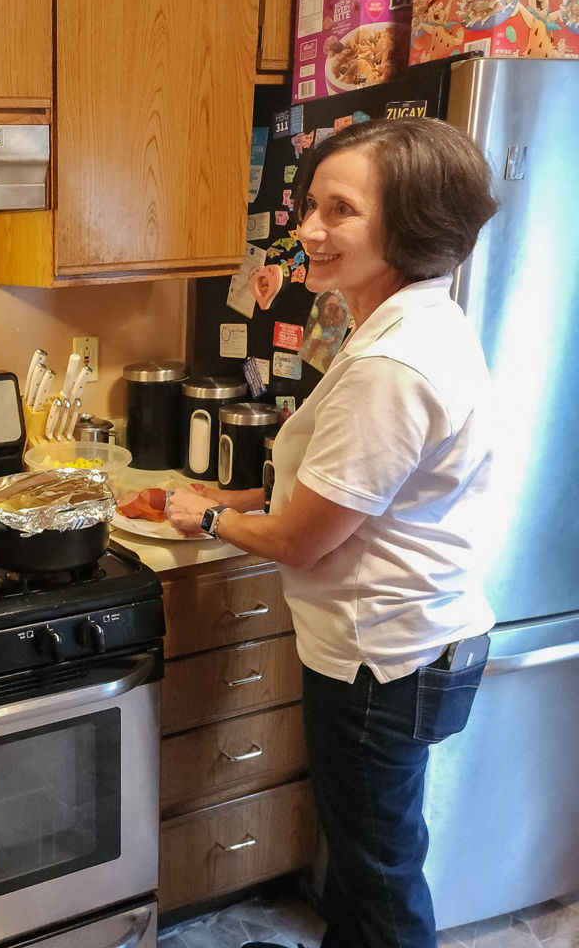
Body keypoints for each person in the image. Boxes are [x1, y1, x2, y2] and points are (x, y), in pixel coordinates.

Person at [166, 117, 500, 948]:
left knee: (381, 876)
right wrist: (237, 490)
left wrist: (206, 516)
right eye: (311, 205)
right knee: (365, 859)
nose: (309, 231)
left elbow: (301, 541)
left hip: (377, 661)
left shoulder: (390, 366)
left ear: (410, 224)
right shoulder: (410, 321)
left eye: (341, 211)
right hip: (412, 644)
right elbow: (355, 491)